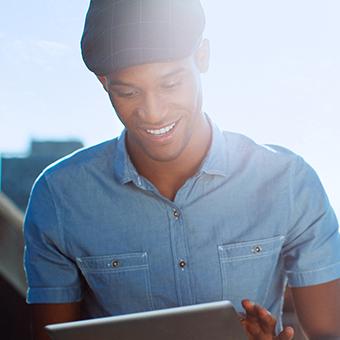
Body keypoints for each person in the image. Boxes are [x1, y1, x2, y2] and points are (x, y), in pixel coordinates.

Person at [23, 1, 340, 339]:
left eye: (170, 84)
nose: (153, 113)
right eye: (127, 92)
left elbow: (329, 333)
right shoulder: (59, 196)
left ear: (202, 57)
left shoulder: (288, 181)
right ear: (104, 82)